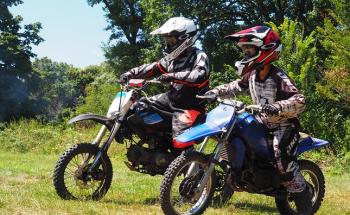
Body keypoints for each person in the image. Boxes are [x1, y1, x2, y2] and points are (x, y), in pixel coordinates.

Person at [205, 26, 312, 214]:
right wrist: (215, 91)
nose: (246, 52)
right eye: (244, 49)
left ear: (265, 50)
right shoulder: (252, 75)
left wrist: (278, 106)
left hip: (282, 126)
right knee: (231, 132)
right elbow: (236, 86)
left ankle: (305, 209)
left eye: (250, 49)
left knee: (283, 163)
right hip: (260, 121)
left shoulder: (279, 77)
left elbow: (299, 100)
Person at [119, 17, 210, 148]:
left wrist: (172, 76)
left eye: (171, 39)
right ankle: (154, 144)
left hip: (191, 107)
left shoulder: (199, 56)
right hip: (170, 100)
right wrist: (130, 73)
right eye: (167, 39)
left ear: (185, 38)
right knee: (138, 107)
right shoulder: (171, 58)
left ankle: (188, 165)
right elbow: (153, 68)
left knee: (181, 141)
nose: (168, 43)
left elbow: (199, 75)